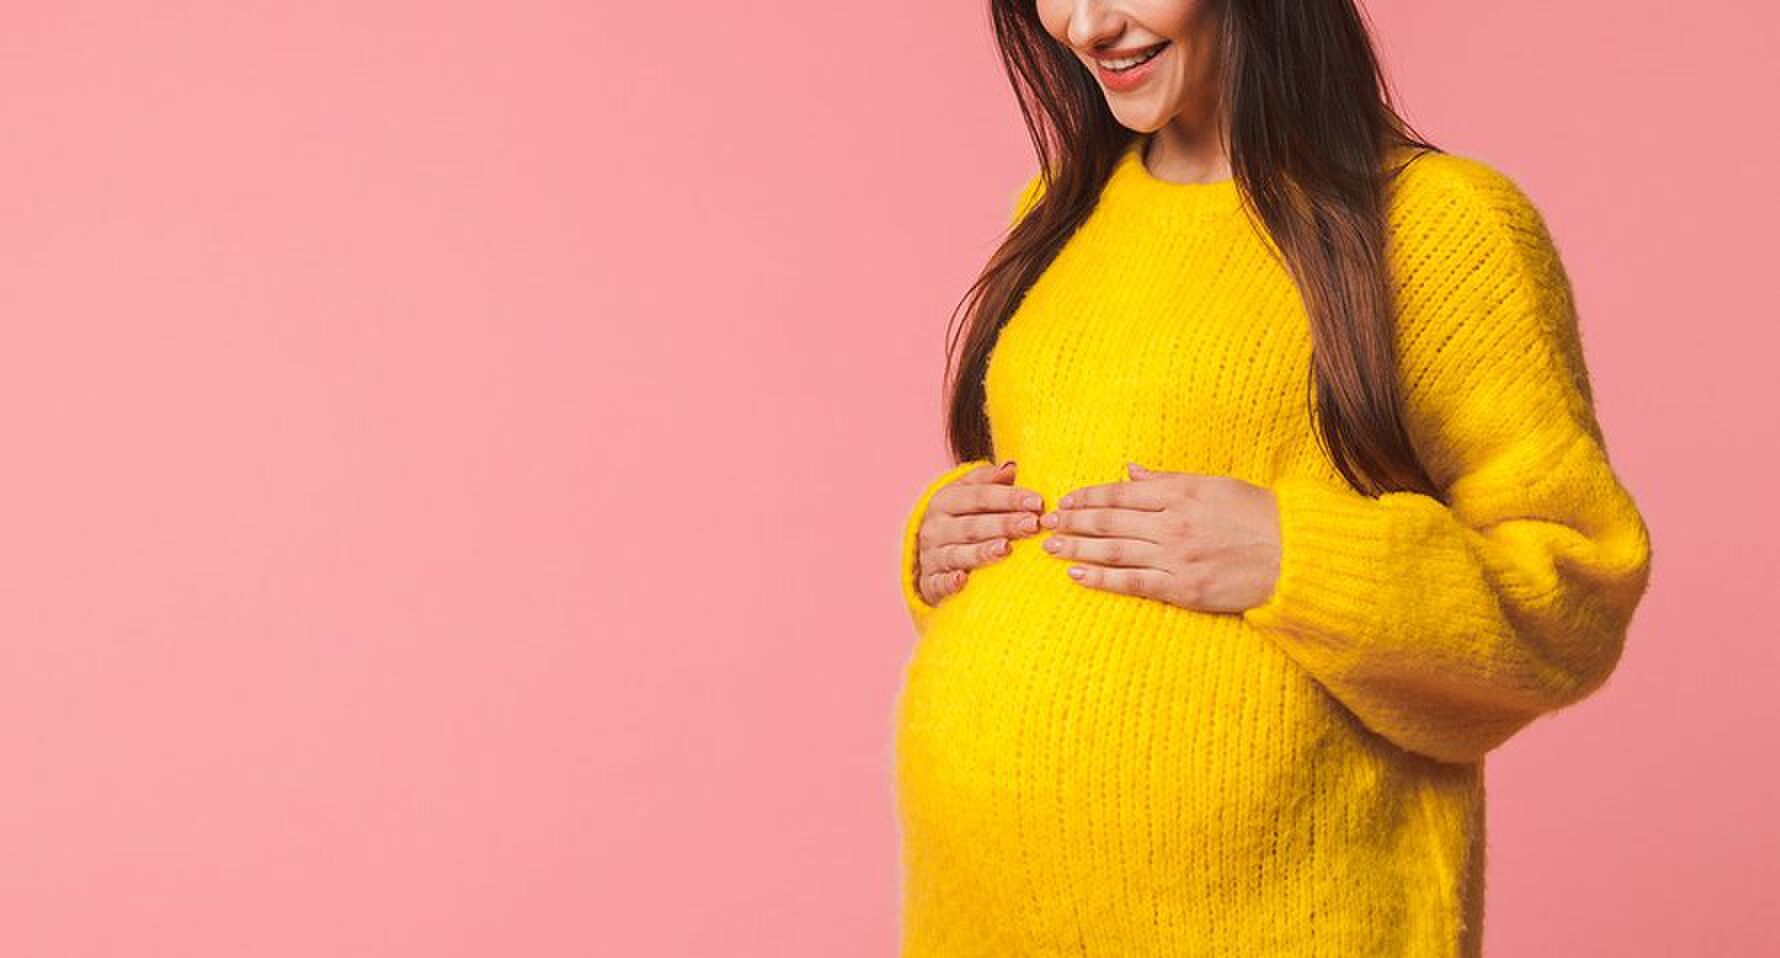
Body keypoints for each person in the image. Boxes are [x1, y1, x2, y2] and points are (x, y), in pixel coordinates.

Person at [891, 1, 1655, 955]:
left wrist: (1294, 558)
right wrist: (946, 546)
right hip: (985, 913)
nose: (1084, 25)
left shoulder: (1438, 224)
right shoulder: (1058, 212)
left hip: (1284, 919)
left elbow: (1573, 600)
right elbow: (1076, 517)